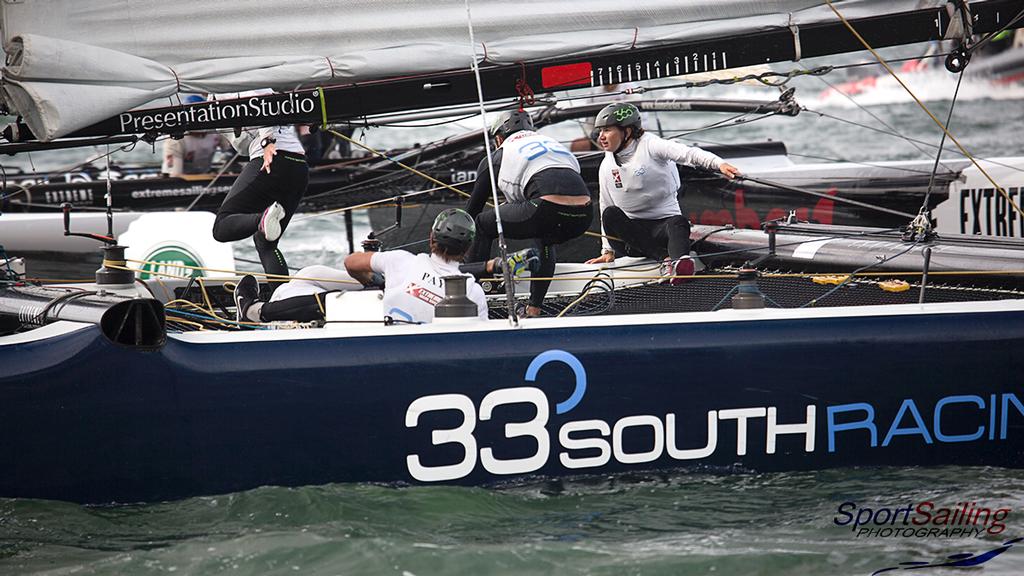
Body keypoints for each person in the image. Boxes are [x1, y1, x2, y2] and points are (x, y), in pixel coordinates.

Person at [234, 209, 490, 324]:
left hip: (375, 336)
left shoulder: (403, 260)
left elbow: (350, 262)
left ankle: (255, 311)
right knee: (314, 280)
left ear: (431, 238)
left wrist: (370, 279)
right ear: (467, 249)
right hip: (419, 350)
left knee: (335, 299)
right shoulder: (475, 293)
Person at [584, 102, 741, 283]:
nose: (600, 137)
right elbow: (605, 204)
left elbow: (688, 154)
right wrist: (607, 252)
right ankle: (665, 260)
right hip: (632, 239)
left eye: (607, 130)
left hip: (663, 230)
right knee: (610, 213)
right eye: (600, 131)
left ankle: (679, 264)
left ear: (627, 132)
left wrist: (719, 164)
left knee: (679, 222)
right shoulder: (606, 163)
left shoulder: (651, 145)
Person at [462, 110, 593, 317]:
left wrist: (454, 260)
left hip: (545, 209)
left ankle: (467, 295)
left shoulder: (498, 154)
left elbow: (470, 213)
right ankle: (533, 309)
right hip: (584, 214)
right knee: (545, 237)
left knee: (481, 224)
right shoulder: (551, 143)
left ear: (498, 138)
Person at [211, 89, 309, 288]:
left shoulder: (223, 83)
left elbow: (261, 105)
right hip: (299, 166)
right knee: (266, 242)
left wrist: (267, 141)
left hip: (271, 159)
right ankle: (283, 300)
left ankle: (261, 219)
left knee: (221, 228)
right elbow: (242, 144)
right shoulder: (261, 81)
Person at [161, 96, 230, 177]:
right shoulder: (175, 140)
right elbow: (175, 175)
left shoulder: (216, 131)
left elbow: (231, 151)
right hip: (182, 181)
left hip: (207, 174)